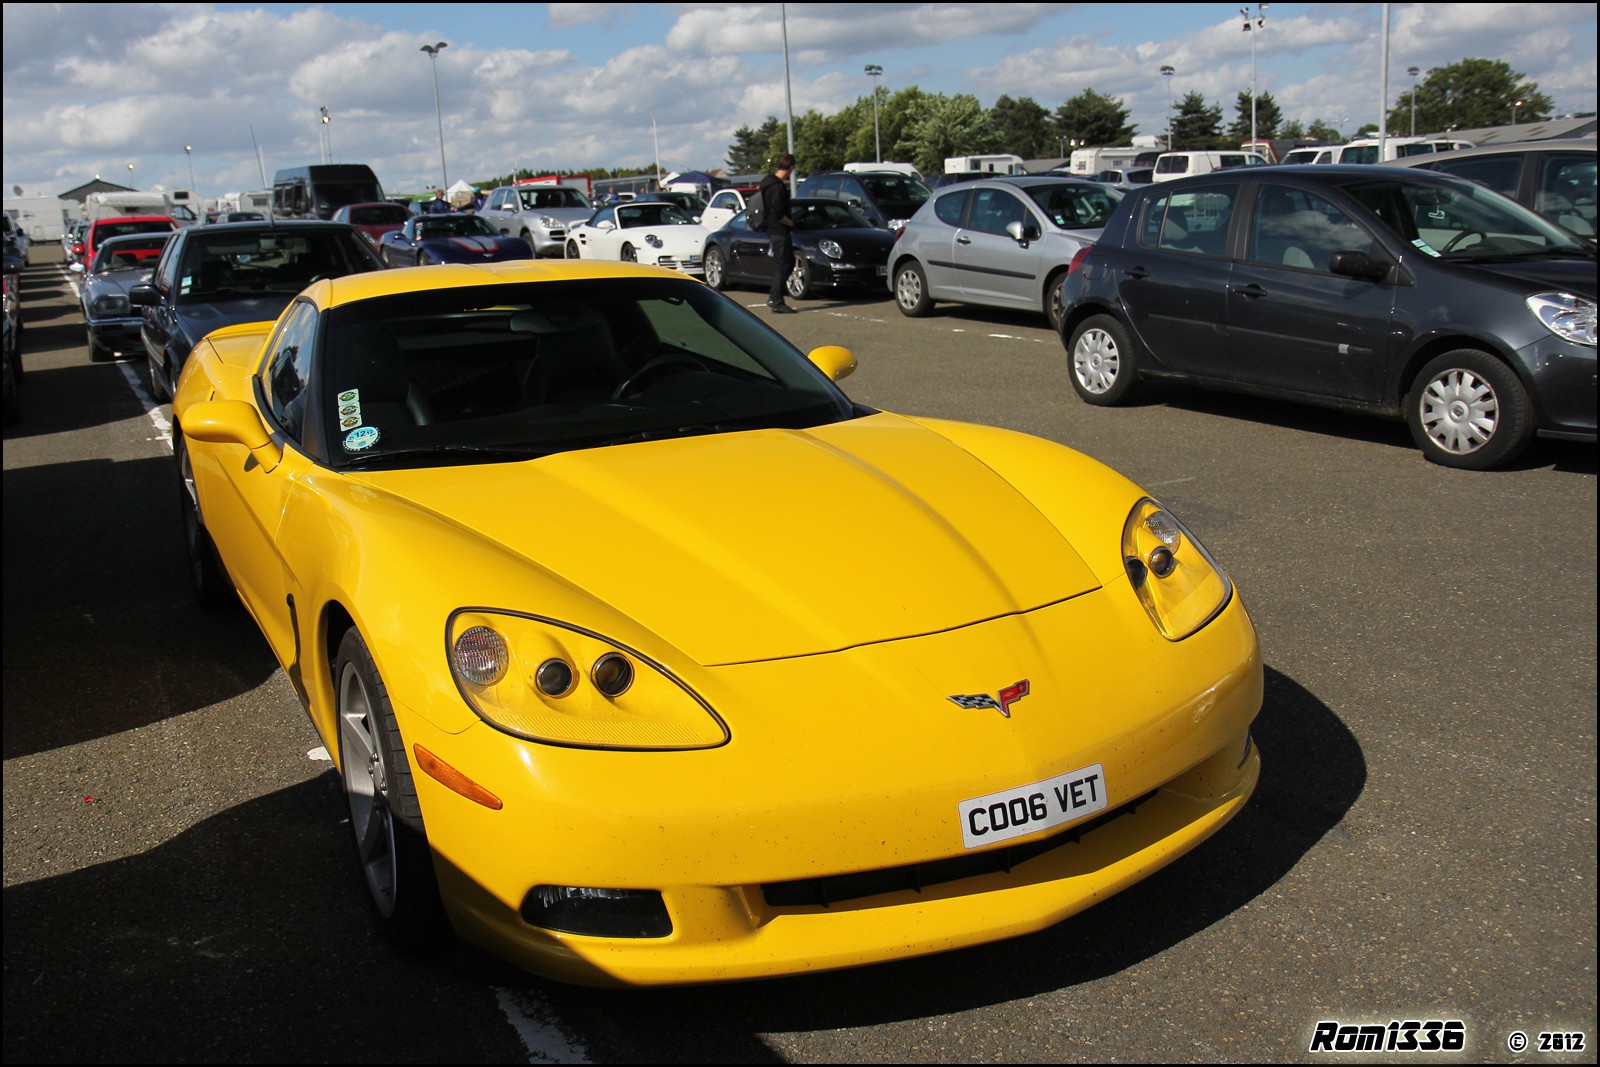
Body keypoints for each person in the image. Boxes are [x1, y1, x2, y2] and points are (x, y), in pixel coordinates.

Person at [757, 154, 797, 313]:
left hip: (772, 229)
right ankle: (776, 300)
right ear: (791, 168)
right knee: (784, 263)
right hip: (779, 230)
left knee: (787, 262)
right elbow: (778, 213)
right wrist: (791, 223)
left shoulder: (767, 183)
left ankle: (775, 297)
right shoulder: (777, 187)